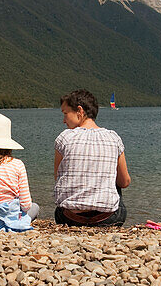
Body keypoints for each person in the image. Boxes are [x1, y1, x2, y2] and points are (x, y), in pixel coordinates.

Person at [53, 89, 131, 226]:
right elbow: (124, 182)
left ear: (79, 111)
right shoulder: (113, 138)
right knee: (115, 184)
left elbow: (58, 178)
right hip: (107, 219)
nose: (63, 121)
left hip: (70, 218)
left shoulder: (64, 138)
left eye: (65, 114)